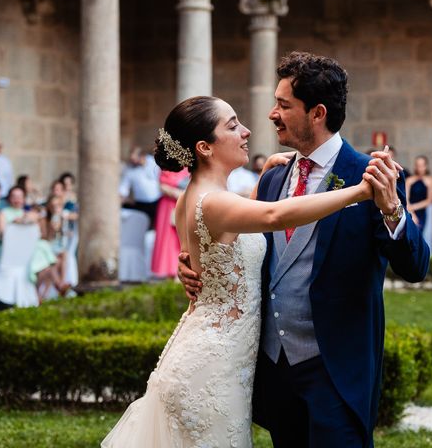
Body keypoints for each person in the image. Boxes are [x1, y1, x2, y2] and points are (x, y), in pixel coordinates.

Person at [102, 95, 386, 447]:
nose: (246, 131)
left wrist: (264, 176)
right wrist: (359, 191)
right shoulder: (216, 202)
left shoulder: (191, 197)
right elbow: (272, 216)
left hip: (209, 352)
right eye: (233, 125)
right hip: (213, 366)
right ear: (205, 147)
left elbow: (230, 231)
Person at [177, 52, 429, 447]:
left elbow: (416, 266)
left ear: (317, 113)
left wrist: (392, 210)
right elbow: (245, 236)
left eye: (283, 105)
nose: (271, 114)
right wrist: (198, 265)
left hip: (337, 372)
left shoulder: (372, 176)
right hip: (277, 371)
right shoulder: (276, 176)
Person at [150, 165, 189, 278]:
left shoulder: (190, 167)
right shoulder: (166, 168)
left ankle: (184, 269)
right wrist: (180, 194)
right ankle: (170, 271)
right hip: (169, 205)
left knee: (183, 238)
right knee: (168, 238)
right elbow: (162, 187)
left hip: (184, 204)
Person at [119, 146, 162, 224]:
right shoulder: (129, 169)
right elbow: (123, 188)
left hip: (157, 201)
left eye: (135, 158)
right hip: (140, 203)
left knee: (157, 224)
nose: (133, 161)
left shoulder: (153, 162)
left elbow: (161, 177)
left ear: (142, 156)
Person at [405, 155, 432, 230]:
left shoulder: (430, 181)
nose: (420, 168)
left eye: (422, 165)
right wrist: (411, 212)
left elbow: (429, 200)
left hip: (422, 211)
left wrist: (413, 207)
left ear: (426, 166)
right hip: (409, 210)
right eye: (418, 165)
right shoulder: (409, 180)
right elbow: (406, 198)